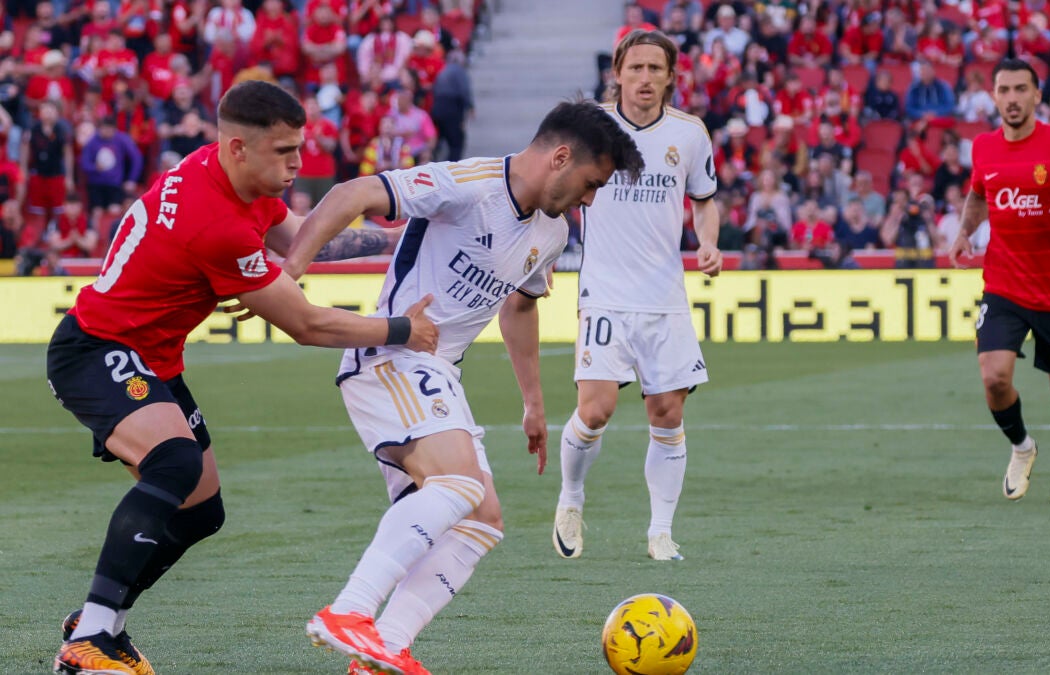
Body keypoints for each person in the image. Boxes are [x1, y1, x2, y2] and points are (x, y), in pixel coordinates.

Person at [47, 80, 438, 675]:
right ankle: (92, 637)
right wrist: (404, 330)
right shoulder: (216, 225)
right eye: (284, 151)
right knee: (174, 464)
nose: (298, 163)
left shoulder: (232, 178)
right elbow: (306, 324)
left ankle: (102, 626)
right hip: (95, 349)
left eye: (298, 148)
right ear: (238, 147)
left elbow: (301, 237)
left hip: (151, 357)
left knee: (201, 511)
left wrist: (399, 237)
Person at [284, 100, 643, 674]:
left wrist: (533, 403)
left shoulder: (551, 232)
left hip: (438, 373)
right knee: (458, 484)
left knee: (483, 519)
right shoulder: (470, 184)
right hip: (392, 356)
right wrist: (290, 274)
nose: (591, 200)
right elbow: (353, 193)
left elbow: (520, 308)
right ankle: (349, 611)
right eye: (591, 184)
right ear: (560, 157)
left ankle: (382, 651)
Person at [551, 29, 721, 564]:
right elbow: (552, 194)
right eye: (636, 68)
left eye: (655, 69)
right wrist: (541, 255)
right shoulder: (589, 129)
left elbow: (705, 199)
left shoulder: (689, 134)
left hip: (664, 297)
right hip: (604, 293)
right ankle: (571, 498)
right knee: (595, 410)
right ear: (617, 73)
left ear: (670, 77)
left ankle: (661, 532)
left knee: (667, 413)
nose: (645, 78)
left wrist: (708, 242)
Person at [949, 59, 1050, 505]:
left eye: (1021, 89)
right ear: (994, 96)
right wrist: (965, 232)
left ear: (1037, 95)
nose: (1012, 98)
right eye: (1004, 90)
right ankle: (1022, 447)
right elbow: (978, 195)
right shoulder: (983, 146)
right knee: (994, 378)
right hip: (1003, 284)